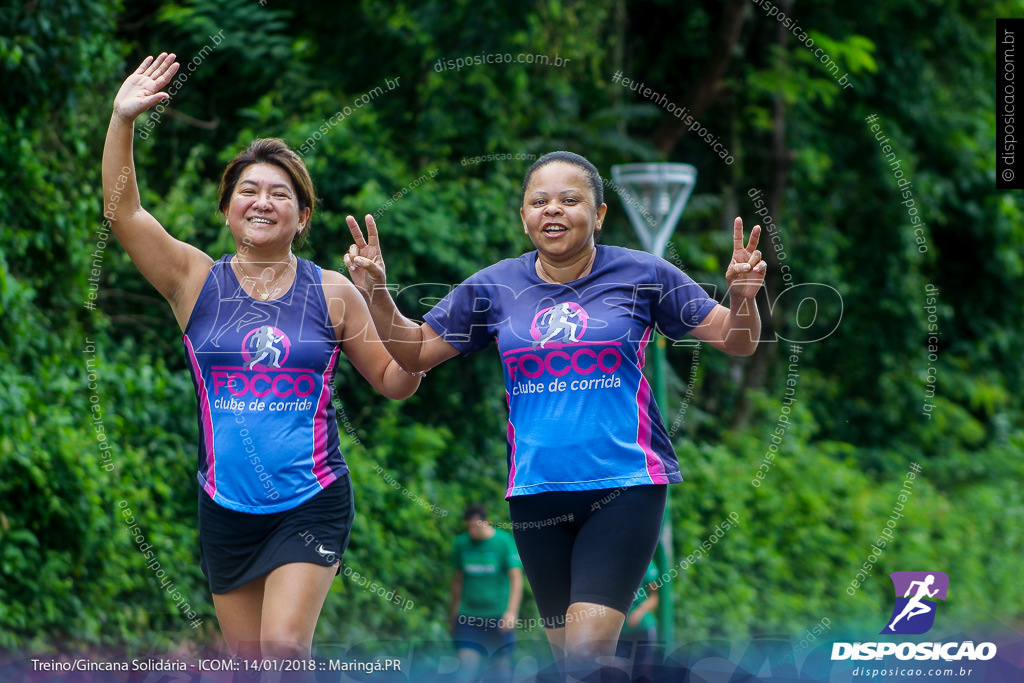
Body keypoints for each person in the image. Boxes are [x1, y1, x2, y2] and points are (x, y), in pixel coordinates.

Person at [344, 151, 766, 680]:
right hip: (536, 495)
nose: (554, 211)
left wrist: (745, 299)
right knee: (575, 668)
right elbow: (415, 352)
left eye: (571, 200)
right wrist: (378, 293)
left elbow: (736, 338)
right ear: (523, 216)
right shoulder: (494, 286)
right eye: (539, 201)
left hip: (624, 488)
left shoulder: (642, 272)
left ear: (600, 214)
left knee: (587, 657)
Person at [102, 53, 422, 665]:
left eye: (280, 194)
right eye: (247, 189)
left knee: (281, 649)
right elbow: (124, 212)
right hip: (224, 507)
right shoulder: (193, 279)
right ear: (226, 208)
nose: (261, 201)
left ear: (302, 218)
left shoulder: (332, 291)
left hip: (311, 499)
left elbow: (394, 380)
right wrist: (122, 121)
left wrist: (379, 295)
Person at [449, 504, 524, 681]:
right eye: (469, 527)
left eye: (476, 526)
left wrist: (511, 612)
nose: (472, 531)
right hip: (468, 616)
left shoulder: (503, 541)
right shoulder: (462, 544)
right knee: (466, 668)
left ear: (487, 522)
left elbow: (516, 578)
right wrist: (453, 613)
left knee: (500, 671)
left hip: (497, 616)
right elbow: (457, 581)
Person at [616, 562, 660, 681]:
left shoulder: (648, 565)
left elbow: (654, 597)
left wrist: (639, 612)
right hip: (620, 631)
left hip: (643, 628)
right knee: (619, 669)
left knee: (641, 669)